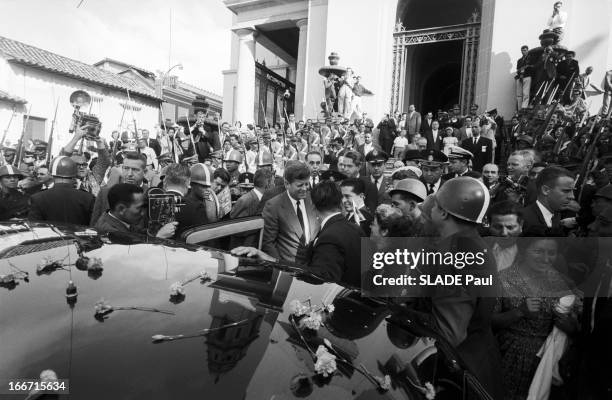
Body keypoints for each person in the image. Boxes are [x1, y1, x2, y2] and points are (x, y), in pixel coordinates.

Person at [414, 176, 503, 399]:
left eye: (433, 205)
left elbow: (449, 334)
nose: (428, 211)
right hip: (474, 357)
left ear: (443, 212)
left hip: (456, 372)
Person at [492, 238, 580, 399]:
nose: (546, 258)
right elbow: (488, 322)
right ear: (523, 250)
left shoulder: (562, 282)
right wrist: (518, 312)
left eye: (551, 253)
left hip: (546, 358)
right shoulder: (502, 279)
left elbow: (578, 325)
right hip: (508, 355)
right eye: (538, 251)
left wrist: (570, 327)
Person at [233, 181, 363, 287]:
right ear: (339, 203)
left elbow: (319, 278)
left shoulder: (329, 237)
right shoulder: (357, 228)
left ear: (313, 205)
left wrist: (272, 260)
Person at [261, 161, 319, 264]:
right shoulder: (274, 205)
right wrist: (280, 266)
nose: (305, 189)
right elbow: (268, 243)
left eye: (306, 184)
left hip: (313, 266)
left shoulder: (313, 199)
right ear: (287, 184)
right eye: (300, 185)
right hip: (288, 269)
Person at [28, 156, 94, 226]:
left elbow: (35, 228)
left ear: (51, 174)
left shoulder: (38, 198)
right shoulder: (88, 198)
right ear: (74, 174)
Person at [94, 183, 176, 238]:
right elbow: (131, 258)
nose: (143, 213)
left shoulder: (118, 220)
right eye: (139, 208)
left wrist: (153, 230)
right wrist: (159, 237)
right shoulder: (110, 232)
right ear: (121, 209)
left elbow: (136, 233)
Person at [90, 152, 148, 226]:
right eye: (126, 168)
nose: (129, 174)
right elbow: (94, 224)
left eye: (135, 170)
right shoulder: (105, 193)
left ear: (145, 172)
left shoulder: (151, 195)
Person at [521, 166, 574, 236]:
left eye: (573, 191)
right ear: (545, 190)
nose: (572, 196)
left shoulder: (556, 215)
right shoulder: (523, 220)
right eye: (566, 191)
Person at [162, 163, 209, 240]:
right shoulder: (195, 207)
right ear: (188, 182)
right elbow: (205, 240)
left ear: (165, 181)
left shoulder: (150, 203)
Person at [487, 201, 523, 271]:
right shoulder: (478, 248)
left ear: (521, 226)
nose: (504, 233)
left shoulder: (531, 253)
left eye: (510, 227)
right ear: (489, 226)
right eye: (498, 227)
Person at [516, 45, 533, 109]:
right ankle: (519, 108)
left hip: (527, 76)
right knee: (519, 94)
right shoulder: (519, 60)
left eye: (525, 50)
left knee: (526, 93)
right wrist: (521, 71)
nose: (523, 52)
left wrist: (525, 68)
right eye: (522, 51)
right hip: (520, 77)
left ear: (527, 50)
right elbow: (518, 69)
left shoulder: (530, 58)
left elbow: (531, 67)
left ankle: (524, 107)